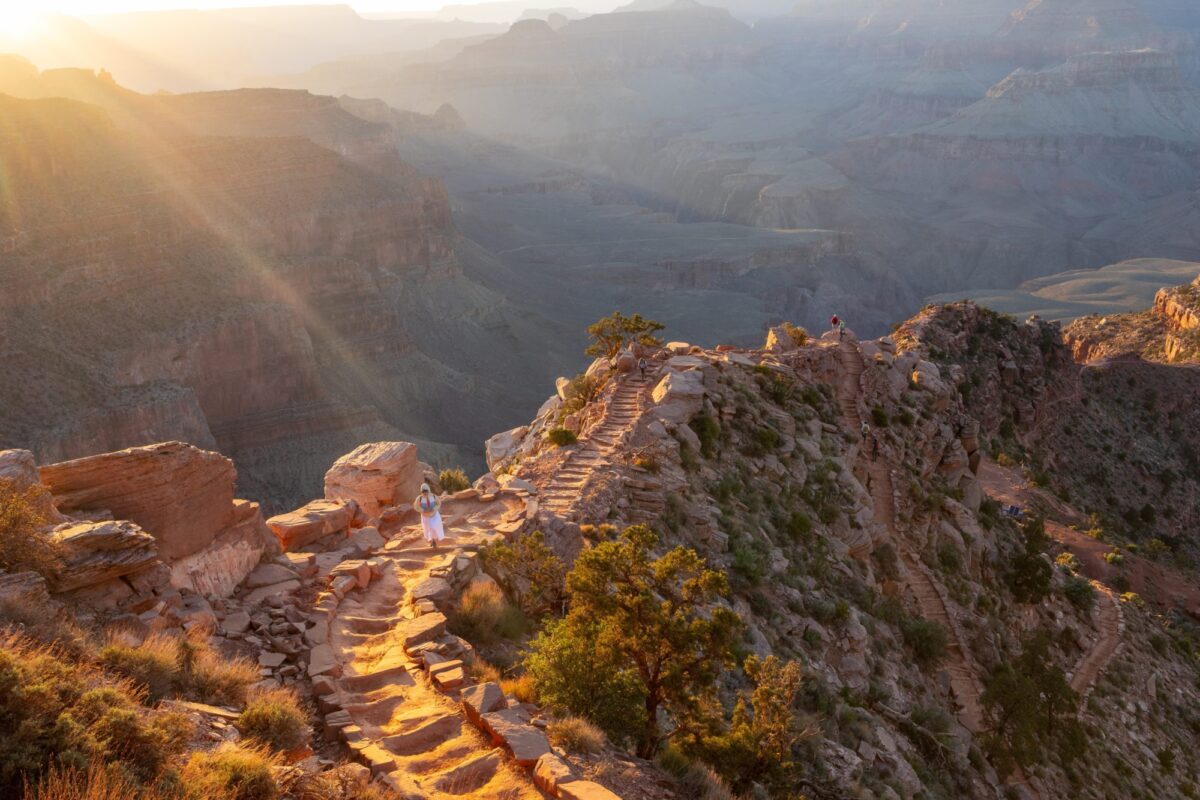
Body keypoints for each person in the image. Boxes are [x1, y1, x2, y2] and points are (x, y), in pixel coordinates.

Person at [413, 483, 445, 549]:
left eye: (426, 492)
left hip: (434, 515)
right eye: (423, 492)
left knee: (435, 526)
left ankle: (434, 540)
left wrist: (434, 508)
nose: (425, 493)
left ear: (428, 490)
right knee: (429, 529)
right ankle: (433, 542)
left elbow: (439, 503)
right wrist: (423, 510)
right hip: (425, 516)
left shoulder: (434, 496)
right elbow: (416, 507)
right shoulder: (419, 498)